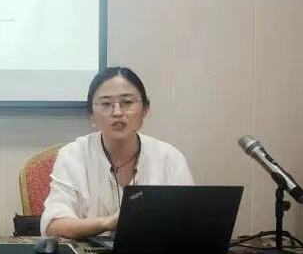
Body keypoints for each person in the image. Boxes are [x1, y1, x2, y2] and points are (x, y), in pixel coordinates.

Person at [41, 66, 194, 239]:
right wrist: (107, 223)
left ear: (145, 109)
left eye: (127, 102)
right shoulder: (73, 155)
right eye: (106, 104)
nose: (117, 112)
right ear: (91, 115)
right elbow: (53, 225)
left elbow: (190, 221)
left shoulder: (169, 158)